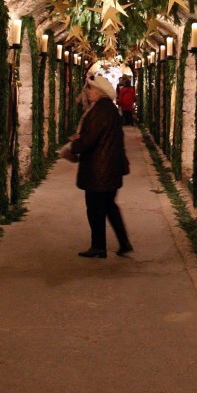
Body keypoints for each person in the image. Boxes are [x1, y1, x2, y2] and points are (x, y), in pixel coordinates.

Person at [66, 74, 132, 258]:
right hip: (111, 167)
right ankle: (124, 242)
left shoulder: (99, 111)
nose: (88, 92)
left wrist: (74, 145)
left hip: (99, 169)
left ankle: (98, 247)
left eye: (90, 89)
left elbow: (89, 140)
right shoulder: (109, 109)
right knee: (110, 206)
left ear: (98, 91)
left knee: (95, 208)